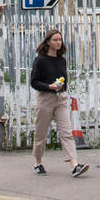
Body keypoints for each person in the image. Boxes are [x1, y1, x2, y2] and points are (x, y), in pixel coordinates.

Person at [30, 28, 89, 177]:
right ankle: (38, 162)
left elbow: (64, 78)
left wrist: (61, 88)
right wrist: (49, 86)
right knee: (41, 133)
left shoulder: (61, 60)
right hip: (45, 98)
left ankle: (74, 165)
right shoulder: (40, 60)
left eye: (60, 40)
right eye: (55, 40)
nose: (58, 42)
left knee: (66, 132)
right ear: (48, 42)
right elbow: (34, 82)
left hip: (61, 98)